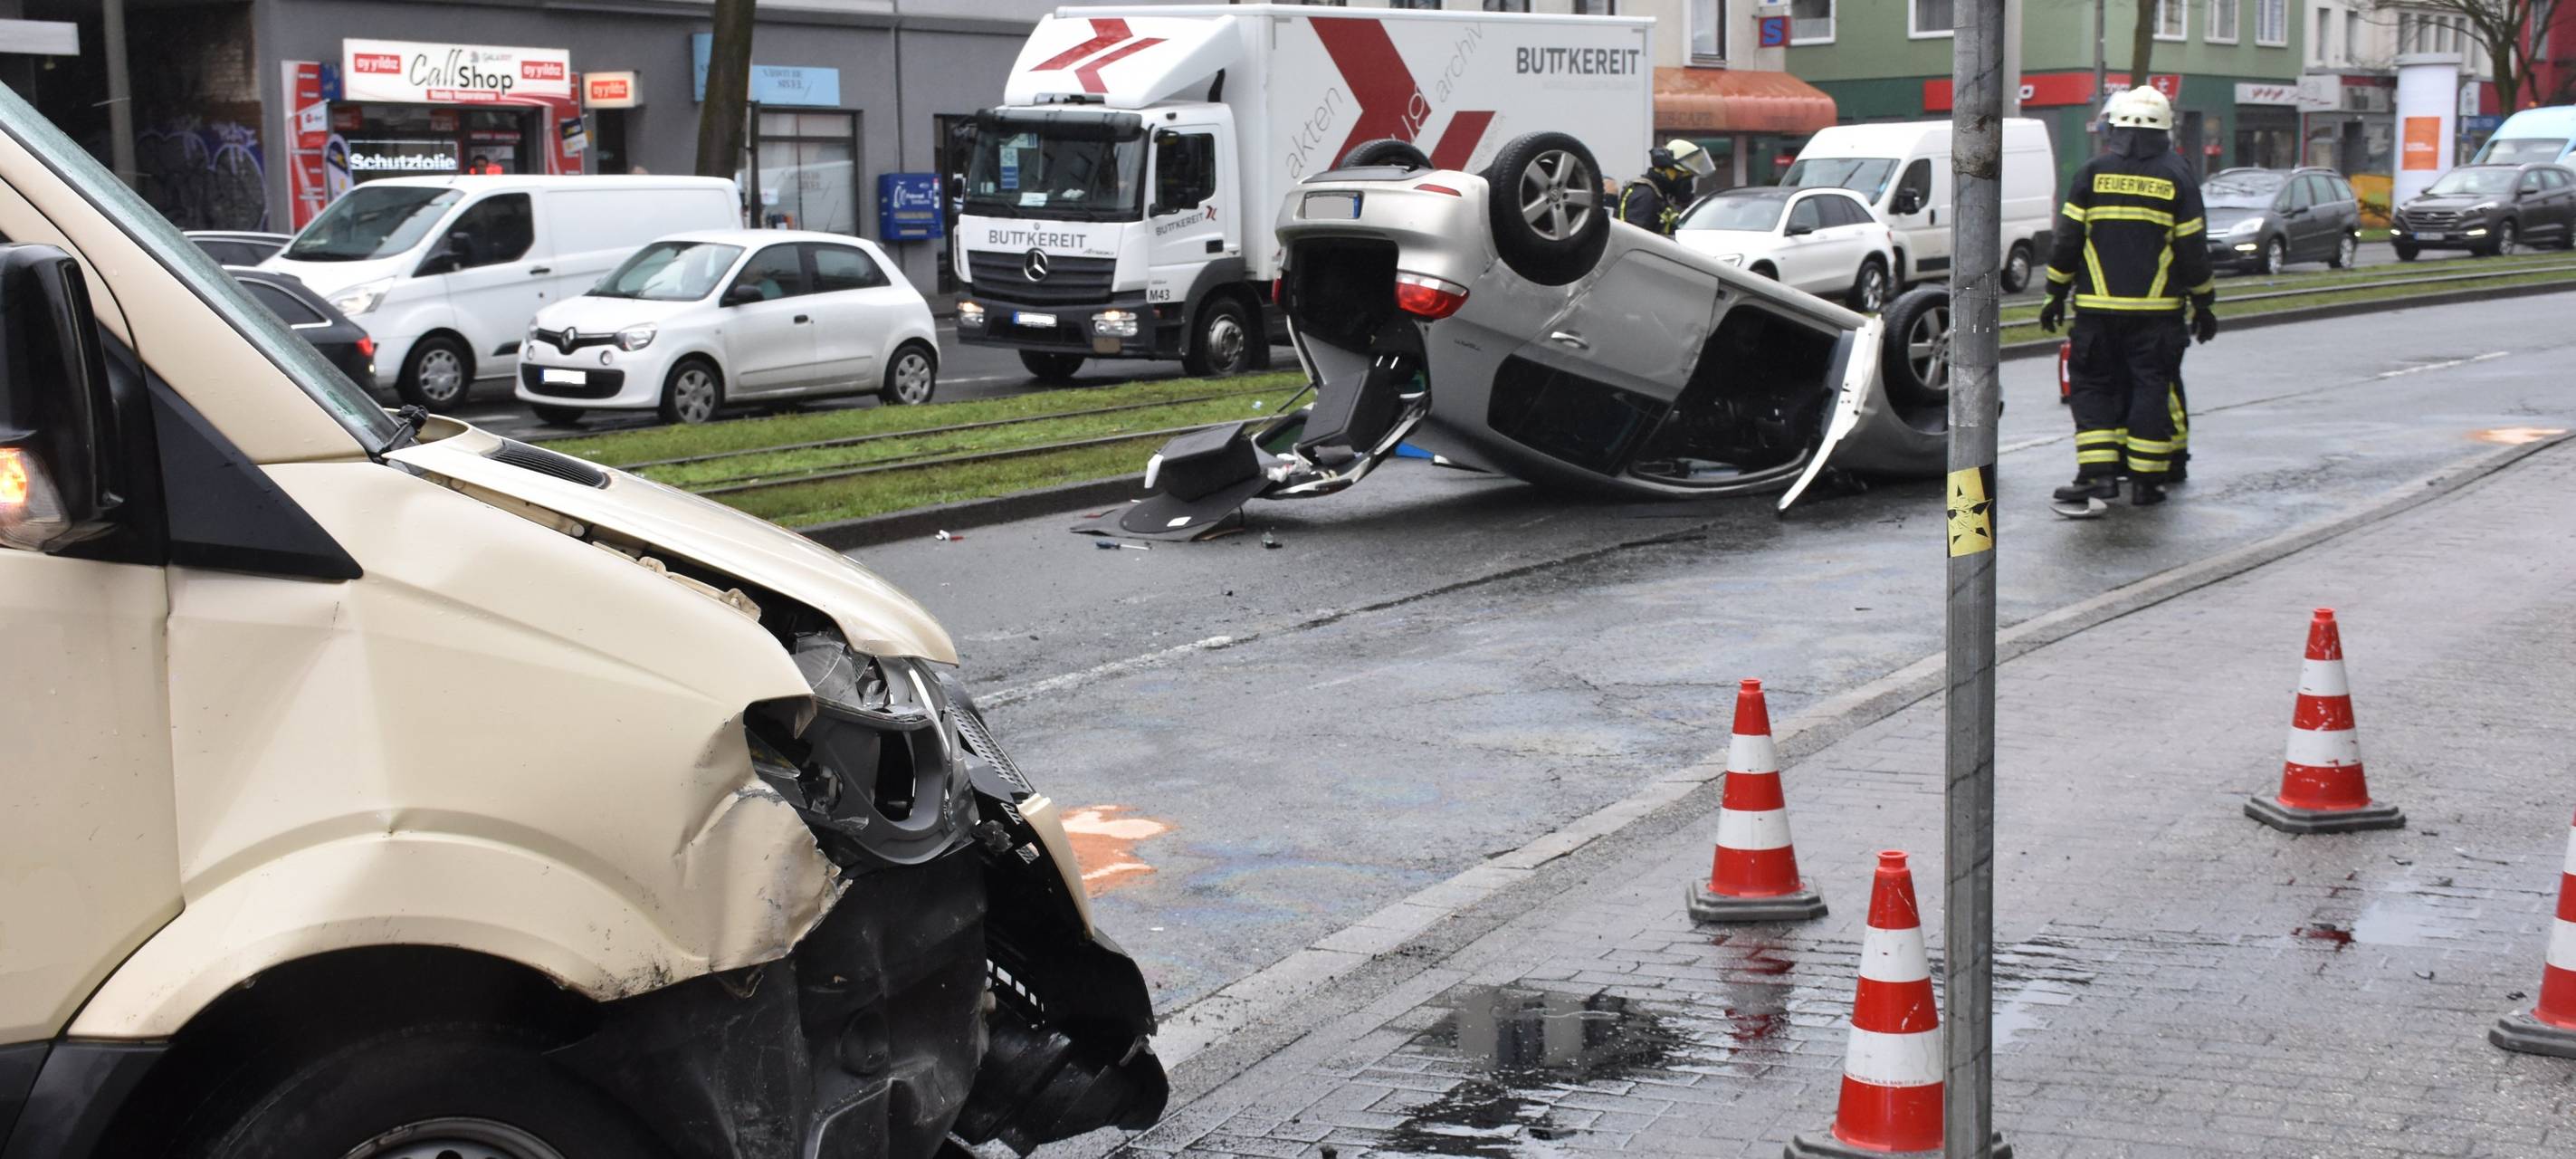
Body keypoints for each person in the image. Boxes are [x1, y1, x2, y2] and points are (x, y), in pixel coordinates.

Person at [2037, 86, 2218, 510]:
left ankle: (2098, 478)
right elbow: (2193, 249)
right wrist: (2204, 303)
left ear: (2114, 126)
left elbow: (2066, 242)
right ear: (2166, 128)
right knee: (2150, 389)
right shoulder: (2178, 175)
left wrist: (2053, 295)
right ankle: (2147, 483)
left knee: (2094, 388)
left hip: (2097, 313)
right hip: (2157, 316)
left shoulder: (2091, 173)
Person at [1616, 139, 1713, 237]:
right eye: (1686, 178)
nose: (1689, 186)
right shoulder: (1645, 196)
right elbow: (1635, 241)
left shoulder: (1658, 194)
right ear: (1670, 170)